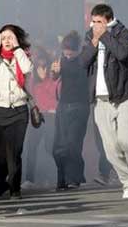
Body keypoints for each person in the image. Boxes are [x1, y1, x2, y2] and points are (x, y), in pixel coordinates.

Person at [80, 4, 128, 199]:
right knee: (110, 149)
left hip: (123, 96)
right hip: (100, 100)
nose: (94, 25)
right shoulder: (90, 36)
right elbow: (83, 62)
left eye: (98, 22)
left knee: (126, 141)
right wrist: (94, 42)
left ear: (108, 20)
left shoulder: (121, 32)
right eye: (92, 21)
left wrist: (105, 36)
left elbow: (122, 55)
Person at [0, 24, 33, 199]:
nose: (7, 40)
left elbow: (27, 69)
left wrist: (17, 49)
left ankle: (15, 188)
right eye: (4, 37)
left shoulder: (22, 57)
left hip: (18, 111)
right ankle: (0, 185)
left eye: (11, 37)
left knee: (14, 152)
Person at [51, 31, 90, 190]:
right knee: (58, 146)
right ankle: (62, 178)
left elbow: (78, 73)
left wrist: (62, 68)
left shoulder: (82, 60)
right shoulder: (62, 60)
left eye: (70, 50)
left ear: (77, 49)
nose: (67, 54)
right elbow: (55, 77)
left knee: (72, 144)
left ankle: (74, 178)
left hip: (79, 106)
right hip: (63, 105)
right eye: (65, 50)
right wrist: (54, 71)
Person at [23, 47, 58, 188]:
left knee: (50, 148)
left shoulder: (53, 76)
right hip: (37, 116)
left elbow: (54, 94)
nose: (42, 69)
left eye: (44, 65)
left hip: (51, 115)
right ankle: (29, 179)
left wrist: (49, 77)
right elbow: (29, 95)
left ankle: (56, 177)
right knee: (31, 148)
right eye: (39, 66)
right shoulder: (33, 79)